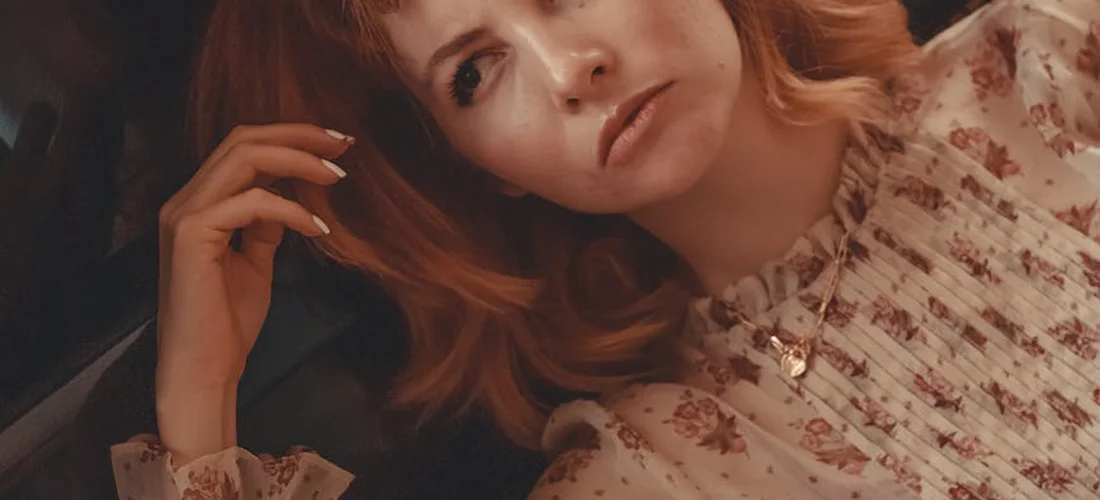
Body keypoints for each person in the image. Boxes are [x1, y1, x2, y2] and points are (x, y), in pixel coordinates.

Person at [109, 0, 1100, 497]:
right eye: (474, 74)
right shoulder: (653, 465)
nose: (566, 68)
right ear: (484, 166)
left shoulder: (1040, 65)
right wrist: (197, 410)